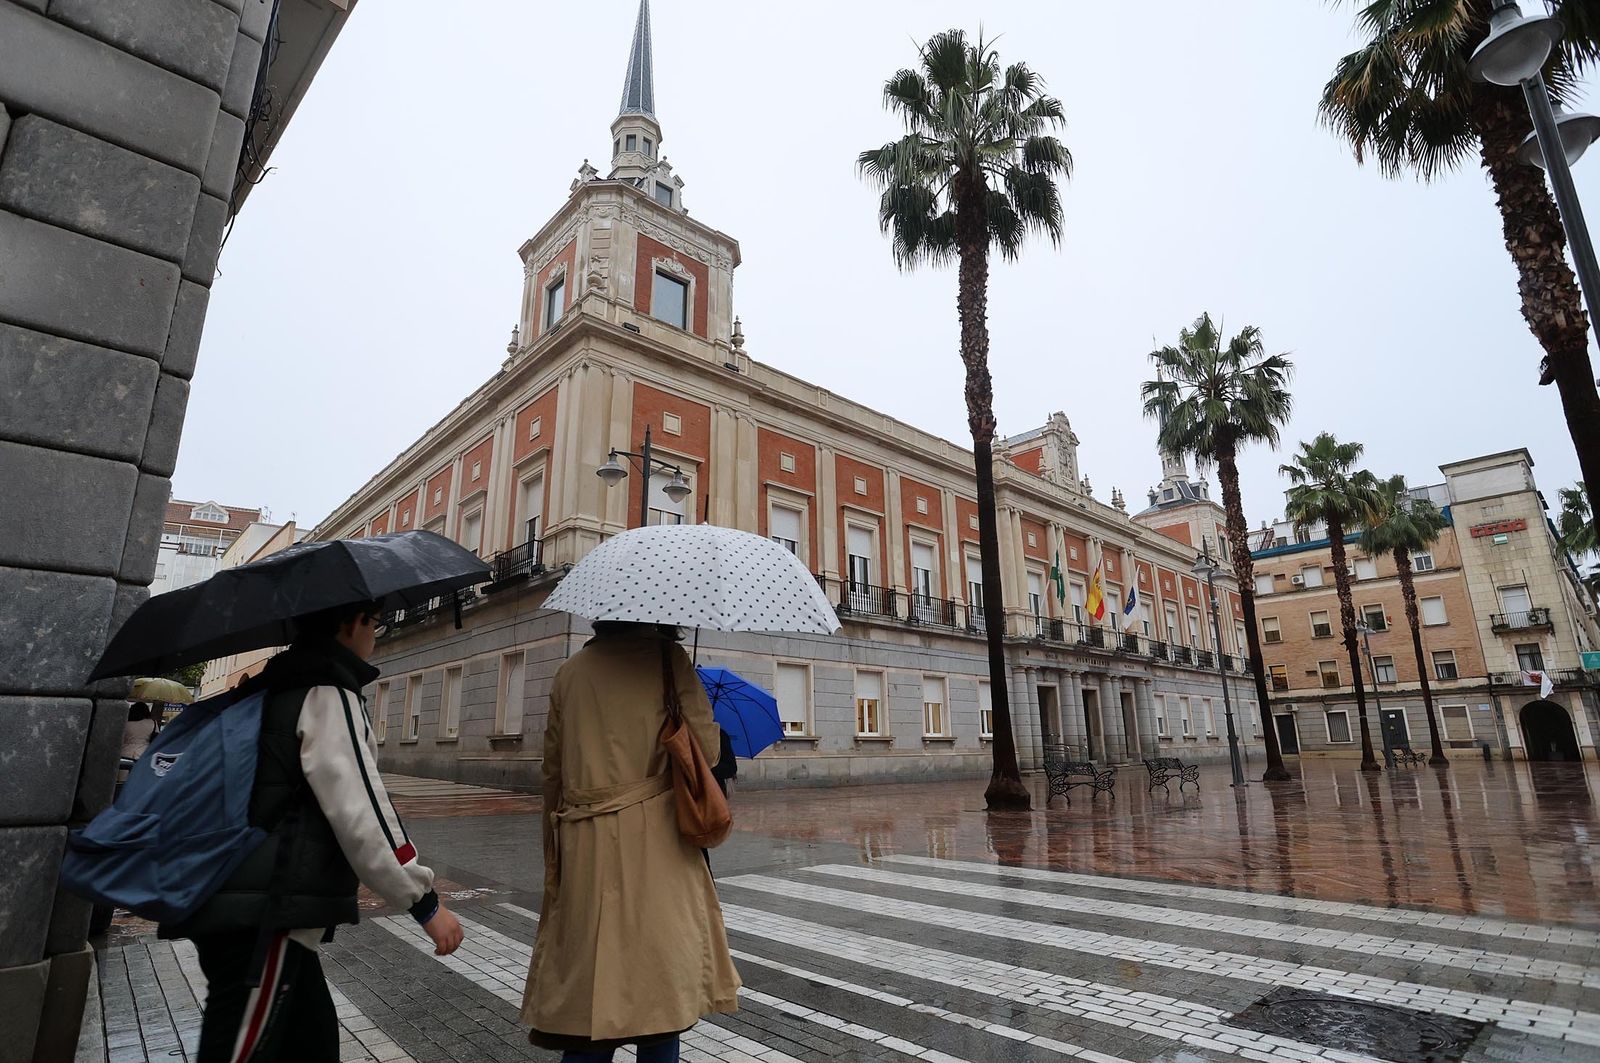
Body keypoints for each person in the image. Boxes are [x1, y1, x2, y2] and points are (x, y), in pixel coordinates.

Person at [161, 600, 464, 1062]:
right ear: (352, 624)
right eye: (375, 623)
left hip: (237, 899)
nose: (375, 635)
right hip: (264, 916)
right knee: (240, 1050)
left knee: (313, 1043)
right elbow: (362, 811)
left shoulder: (271, 686)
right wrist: (423, 902)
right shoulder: (326, 695)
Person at [522, 621, 740, 1062]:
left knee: (587, 1003)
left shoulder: (569, 673)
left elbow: (553, 775)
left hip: (584, 843)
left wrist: (556, 854)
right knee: (659, 1000)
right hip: (658, 843)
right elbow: (707, 753)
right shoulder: (669, 661)